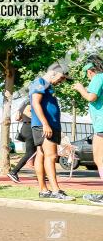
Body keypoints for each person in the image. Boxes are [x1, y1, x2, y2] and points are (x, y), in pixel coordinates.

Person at [29, 65, 72, 200]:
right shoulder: (40, 82)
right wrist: (45, 124)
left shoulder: (48, 86)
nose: (62, 81)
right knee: (52, 156)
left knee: (42, 155)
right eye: (61, 77)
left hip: (51, 125)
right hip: (45, 126)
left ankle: (43, 190)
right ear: (53, 72)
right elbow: (35, 103)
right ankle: (56, 190)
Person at [73, 58, 103, 193]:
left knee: (99, 158)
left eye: (87, 72)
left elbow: (91, 97)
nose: (87, 75)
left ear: (90, 70)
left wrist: (80, 89)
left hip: (101, 125)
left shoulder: (98, 77)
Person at [7, 98, 35, 183]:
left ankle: (41, 174)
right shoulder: (32, 101)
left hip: (25, 128)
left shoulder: (23, 103)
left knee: (37, 152)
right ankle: (14, 172)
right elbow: (27, 112)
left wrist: (25, 118)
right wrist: (40, 119)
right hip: (31, 128)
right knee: (30, 153)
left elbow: (17, 118)